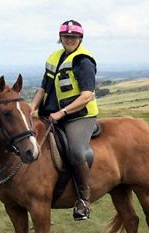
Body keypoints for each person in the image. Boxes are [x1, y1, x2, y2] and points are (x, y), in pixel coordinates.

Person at [30, 20, 98, 221]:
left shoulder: (83, 62)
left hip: (79, 115)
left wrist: (62, 113)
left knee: (76, 150)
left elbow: (87, 95)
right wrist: (31, 108)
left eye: (73, 37)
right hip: (51, 114)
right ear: (60, 38)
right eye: (66, 37)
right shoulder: (54, 58)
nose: (69, 40)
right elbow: (43, 88)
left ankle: (84, 200)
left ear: (80, 39)